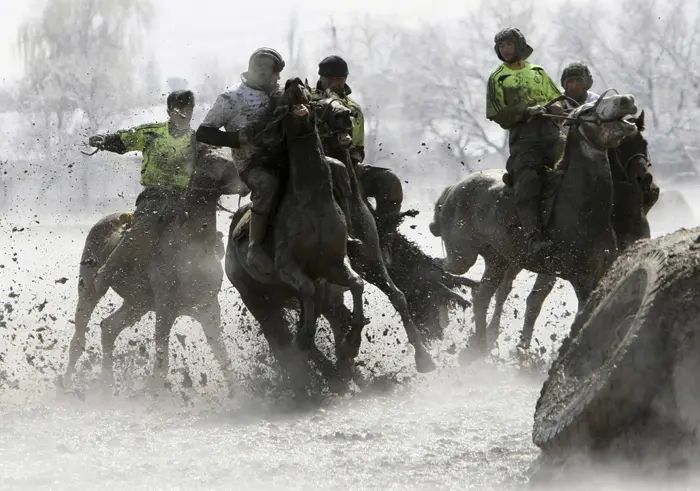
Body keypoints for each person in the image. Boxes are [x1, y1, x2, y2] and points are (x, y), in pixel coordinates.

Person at [89, 90, 199, 291]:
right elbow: (126, 139)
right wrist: (105, 140)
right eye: (179, 109)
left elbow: (216, 162)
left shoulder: (197, 140)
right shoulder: (153, 133)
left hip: (185, 198)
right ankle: (107, 271)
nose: (184, 113)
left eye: (188, 109)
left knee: (206, 232)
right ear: (169, 111)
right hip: (155, 196)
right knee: (143, 229)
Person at [195, 47, 286, 277]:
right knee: (267, 184)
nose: (278, 79)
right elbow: (204, 133)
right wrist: (237, 138)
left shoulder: (282, 93)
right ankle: (255, 247)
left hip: (285, 159)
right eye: (275, 74)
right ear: (263, 72)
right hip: (253, 165)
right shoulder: (232, 97)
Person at [313, 55, 404, 265]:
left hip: (348, 167)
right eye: (330, 79)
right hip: (314, 168)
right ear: (321, 78)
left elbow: (359, 148)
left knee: (389, 181)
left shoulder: (353, 109)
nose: (335, 83)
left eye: (339, 78)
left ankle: (385, 240)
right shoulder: (307, 101)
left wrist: (352, 156)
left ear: (345, 78)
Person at [486, 27, 565, 258]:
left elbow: (556, 100)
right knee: (528, 179)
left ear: (519, 45)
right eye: (501, 46)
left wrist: (557, 108)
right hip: (525, 142)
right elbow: (497, 112)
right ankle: (534, 236)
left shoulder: (538, 71)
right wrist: (525, 111)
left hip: (552, 136)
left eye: (509, 45)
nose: (505, 49)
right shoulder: (497, 77)